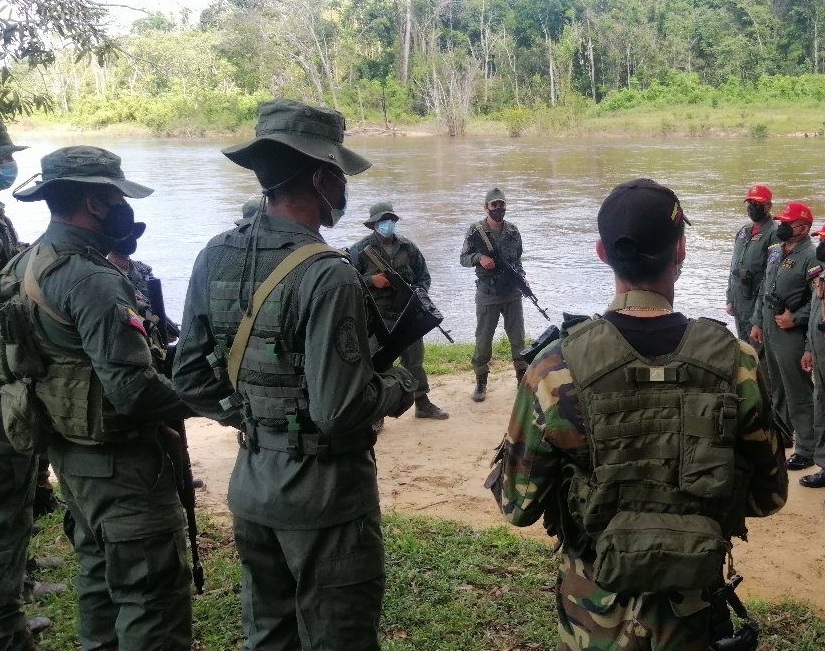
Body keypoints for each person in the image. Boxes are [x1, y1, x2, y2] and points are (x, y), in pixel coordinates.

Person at [491, 178, 787, 651]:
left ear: (601, 252)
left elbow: (518, 506)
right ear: (682, 250)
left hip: (592, 616)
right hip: (690, 612)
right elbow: (768, 497)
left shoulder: (555, 368)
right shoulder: (737, 362)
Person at [172, 98, 417, 650]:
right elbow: (338, 411)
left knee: (269, 636)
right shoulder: (328, 274)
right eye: (339, 174)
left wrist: (258, 420)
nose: (343, 188)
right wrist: (400, 387)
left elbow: (188, 378)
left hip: (253, 487)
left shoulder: (215, 254)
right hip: (326, 501)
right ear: (322, 176)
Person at [9, 145, 193, 651]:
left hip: (71, 453)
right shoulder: (91, 278)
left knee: (98, 575)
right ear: (94, 203)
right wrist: (200, 399)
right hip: (121, 464)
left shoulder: (33, 259)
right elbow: (133, 390)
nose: (123, 206)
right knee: (151, 595)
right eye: (115, 196)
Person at [348, 201, 448, 420]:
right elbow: (349, 282)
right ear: (373, 224)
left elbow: (424, 277)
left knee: (414, 362)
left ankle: (422, 403)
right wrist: (372, 281)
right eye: (383, 221)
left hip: (407, 316)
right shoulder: (359, 251)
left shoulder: (408, 248)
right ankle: (377, 414)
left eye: (390, 220)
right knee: (376, 365)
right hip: (376, 319)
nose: (387, 224)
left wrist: (415, 293)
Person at [751, 202, 819, 471]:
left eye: (788, 223)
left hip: (792, 334)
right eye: (781, 221)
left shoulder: (811, 258)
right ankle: (782, 434)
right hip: (769, 328)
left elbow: (818, 301)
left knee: (798, 392)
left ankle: (808, 448)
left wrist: (796, 318)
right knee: (776, 388)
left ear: (803, 228)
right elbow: (763, 290)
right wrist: (757, 321)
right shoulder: (775, 251)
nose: (781, 226)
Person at [459, 187, 526, 402]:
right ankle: (481, 382)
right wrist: (479, 258)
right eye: (494, 205)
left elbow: (517, 261)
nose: (498, 209)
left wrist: (522, 278)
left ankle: (522, 378)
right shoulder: (475, 231)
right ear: (486, 207)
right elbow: (463, 258)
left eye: (501, 205)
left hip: (511, 293)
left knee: (518, 339)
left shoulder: (513, 231)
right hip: (487, 293)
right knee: (483, 340)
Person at [726, 184, 777, 340]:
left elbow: (770, 278)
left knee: (758, 353)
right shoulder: (743, 231)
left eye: (757, 204)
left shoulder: (774, 234)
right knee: (743, 350)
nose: (752, 207)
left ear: (768, 206)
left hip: (756, 305)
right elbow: (733, 267)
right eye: (750, 203)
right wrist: (729, 299)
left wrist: (758, 319)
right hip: (739, 302)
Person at [799, 224, 825, 488]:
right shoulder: (822, 277)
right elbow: (815, 320)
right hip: (820, 355)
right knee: (821, 407)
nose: (821, 246)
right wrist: (809, 349)